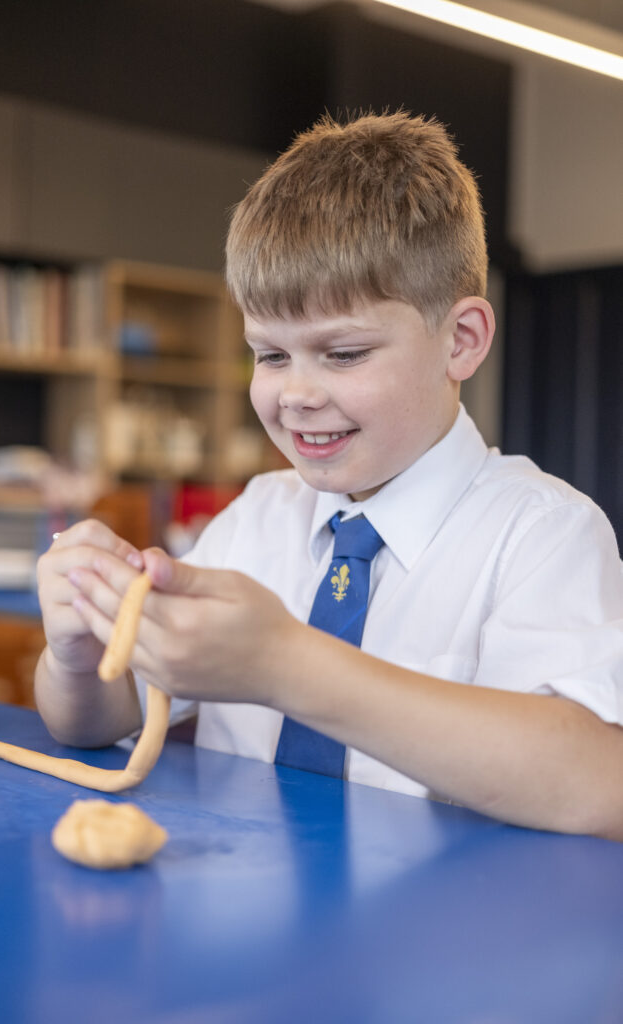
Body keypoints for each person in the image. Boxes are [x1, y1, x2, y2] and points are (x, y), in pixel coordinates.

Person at [35, 111, 623, 839]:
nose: (295, 394)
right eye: (270, 355)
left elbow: (597, 788)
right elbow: (98, 721)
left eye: (342, 354)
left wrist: (287, 666)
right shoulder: (256, 517)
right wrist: (76, 654)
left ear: (461, 341)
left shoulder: (540, 534)